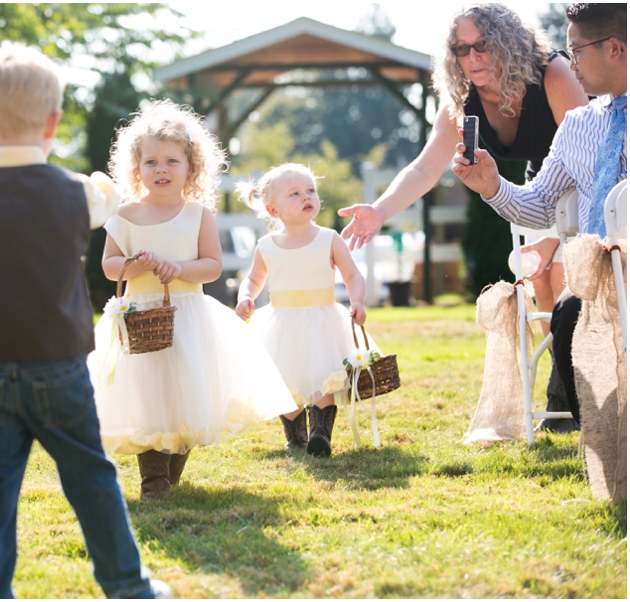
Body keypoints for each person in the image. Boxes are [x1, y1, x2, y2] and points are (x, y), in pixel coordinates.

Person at [0, 45, 169, 599]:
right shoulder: (78, 193)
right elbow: (109, 192)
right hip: (61, 371)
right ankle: (128, 586)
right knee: (92, 478)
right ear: (53, 124)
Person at [338, 3, 589, 431]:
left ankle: (568, 392)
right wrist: (378, 211)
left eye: (482, 46)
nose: (472, 58)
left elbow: (590, 154)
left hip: (585, 180)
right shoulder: (463, 100)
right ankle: (567, 380)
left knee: (562, 274)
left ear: (509, 42)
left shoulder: (553, 74)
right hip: (540, 189)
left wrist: (557, 239)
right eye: (461, 49)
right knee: (540, 280)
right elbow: (423, 168)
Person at [88, 99, 298, 499]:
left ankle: (170, 472)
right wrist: (135, 265)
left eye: (172, 161)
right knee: (149, 397)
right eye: (151, 162)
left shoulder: (197, 214)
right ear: (137, 169)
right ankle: (153, 480)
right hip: (139, 318)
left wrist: (178, 268)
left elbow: (212, 267)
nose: (161, 170)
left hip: (187, 316)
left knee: (187, 396)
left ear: (191, 167)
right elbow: (110, 266)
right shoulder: (126, 214)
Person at [452, 2, 627, 426]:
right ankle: (606, 439)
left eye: (578, 50)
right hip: (599, 278)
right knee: (567, 317)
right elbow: (540, 204)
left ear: (615, 48)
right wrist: (493, 186)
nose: (570, 63)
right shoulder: (577, 126)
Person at [235, 164, 368, 457]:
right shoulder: (267, 246)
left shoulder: (328, 238)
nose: (306, 197)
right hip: (282, 322)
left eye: (310, 190)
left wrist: (357, 300)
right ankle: (295, 435)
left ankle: (321, 433)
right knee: (286, 380)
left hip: (322, 320)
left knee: (324, 377)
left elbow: (353, 275)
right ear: (273, 210)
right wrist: (246, 297)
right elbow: (254, 279)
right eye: (294, 194)